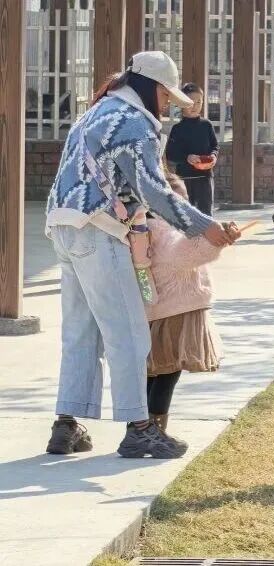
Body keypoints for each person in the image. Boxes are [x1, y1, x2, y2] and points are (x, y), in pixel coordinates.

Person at [44, 51, 238, 459]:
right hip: (99, 230)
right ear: (151, 87)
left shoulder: (95, 112)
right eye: (166, 96)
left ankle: (66, 425)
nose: (167, 106)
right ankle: (140, 429)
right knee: (129, 335)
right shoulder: (134, 121)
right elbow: (154, 190)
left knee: (79, 332)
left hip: (62, 227)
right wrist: (204, 226)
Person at [145, 171, 234, 433]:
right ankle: (155, 429)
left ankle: (142, 426)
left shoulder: (145, 228)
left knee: (153, 374)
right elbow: (186, 254)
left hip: (158, 310)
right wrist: (215, 241)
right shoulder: (164, 230)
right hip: (175, 312)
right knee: (167, 373)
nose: (187, 210)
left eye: (187, 203)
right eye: (180, 204)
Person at [165, 82, 220, 216]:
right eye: (190, 102)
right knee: (186, 214)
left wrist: (213, 156)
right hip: (184, 178)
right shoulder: (177, 129)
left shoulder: (207, 125)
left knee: (205, 212)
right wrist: (187, 158)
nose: (195, 106)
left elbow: (215, 146)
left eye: (198, 102)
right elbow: (171, 154)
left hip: (205, 177)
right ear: (182, 103)